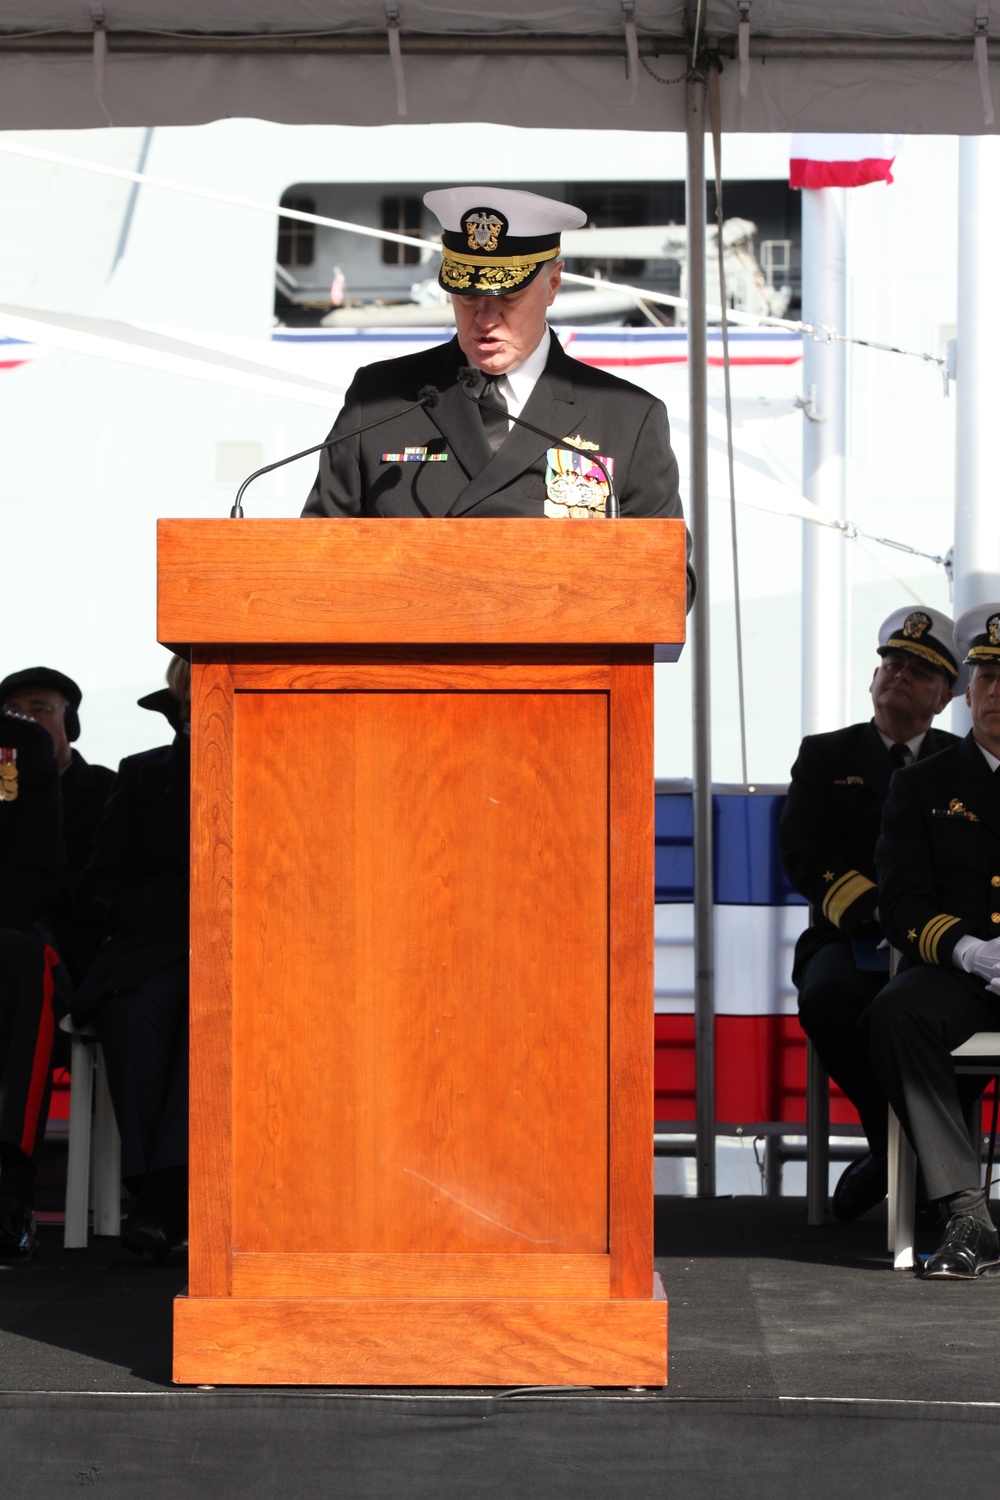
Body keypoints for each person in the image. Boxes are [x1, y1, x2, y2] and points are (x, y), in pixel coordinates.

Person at [302, 185, 695, 604]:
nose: (484, 319)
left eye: (508, 296)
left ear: (553, 284)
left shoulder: (627, 418)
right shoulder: (380, 398)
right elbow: (312, 556)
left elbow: (668, 585)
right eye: (467, 296)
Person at [779, 608, 960, 1221]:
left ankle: (904, 1162)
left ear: (943, 698)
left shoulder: (961, 764)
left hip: (939, 944)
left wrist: (929, 927)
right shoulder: (826, 755)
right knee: (828, 996)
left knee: (960, 1012)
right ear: (872, 679)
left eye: (917, 673)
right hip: (849, 935)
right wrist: (878, 913)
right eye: (891, 665)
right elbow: (805, 854)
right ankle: (904, 1154)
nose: (898, 677)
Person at [869, 603, 1000, 1278]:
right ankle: (967, 1213)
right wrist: (969, 950)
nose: (998, 694)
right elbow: (902, 905)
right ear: (968, 692)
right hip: (964, 977)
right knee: (896, 1010)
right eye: (988, 678)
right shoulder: (921, 785)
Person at [72, 657, 191, 1259]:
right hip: (149, 949)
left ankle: (163, 1197)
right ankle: (162, 1193)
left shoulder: (287, 764)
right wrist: (133, 912)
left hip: (252, 953)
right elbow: (100, 879)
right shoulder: (143, 774)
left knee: (219, 1022)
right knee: (131, 1013)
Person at [0, 667, 115, 988]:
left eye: (39, 709)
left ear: (71, 720)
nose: (27, 721)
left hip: (72, 934)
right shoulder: (5, 791)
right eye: (12, 713)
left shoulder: (110, 789)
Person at [0, 709, 65, 1256]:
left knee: (25, 964)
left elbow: (35, 866)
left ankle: (8, 1189)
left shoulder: (17, 744)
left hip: (2, 926)